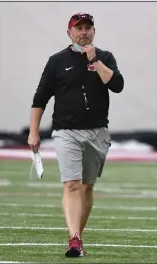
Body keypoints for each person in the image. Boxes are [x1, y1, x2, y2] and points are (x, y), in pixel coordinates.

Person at [27, 12, 124, 257]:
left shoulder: (105, 57)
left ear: (94, 31)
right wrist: (33, 132)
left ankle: (77, 238)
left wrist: (96, 61)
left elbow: (117, 86)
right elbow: (40, 97)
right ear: (69, 32)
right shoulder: (57, 61)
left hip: (97, 132)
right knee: (72, 184)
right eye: (78, 28)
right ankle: (74, 239)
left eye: (88, 28)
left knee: (87, 188)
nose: (84, 32)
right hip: (65, 131)